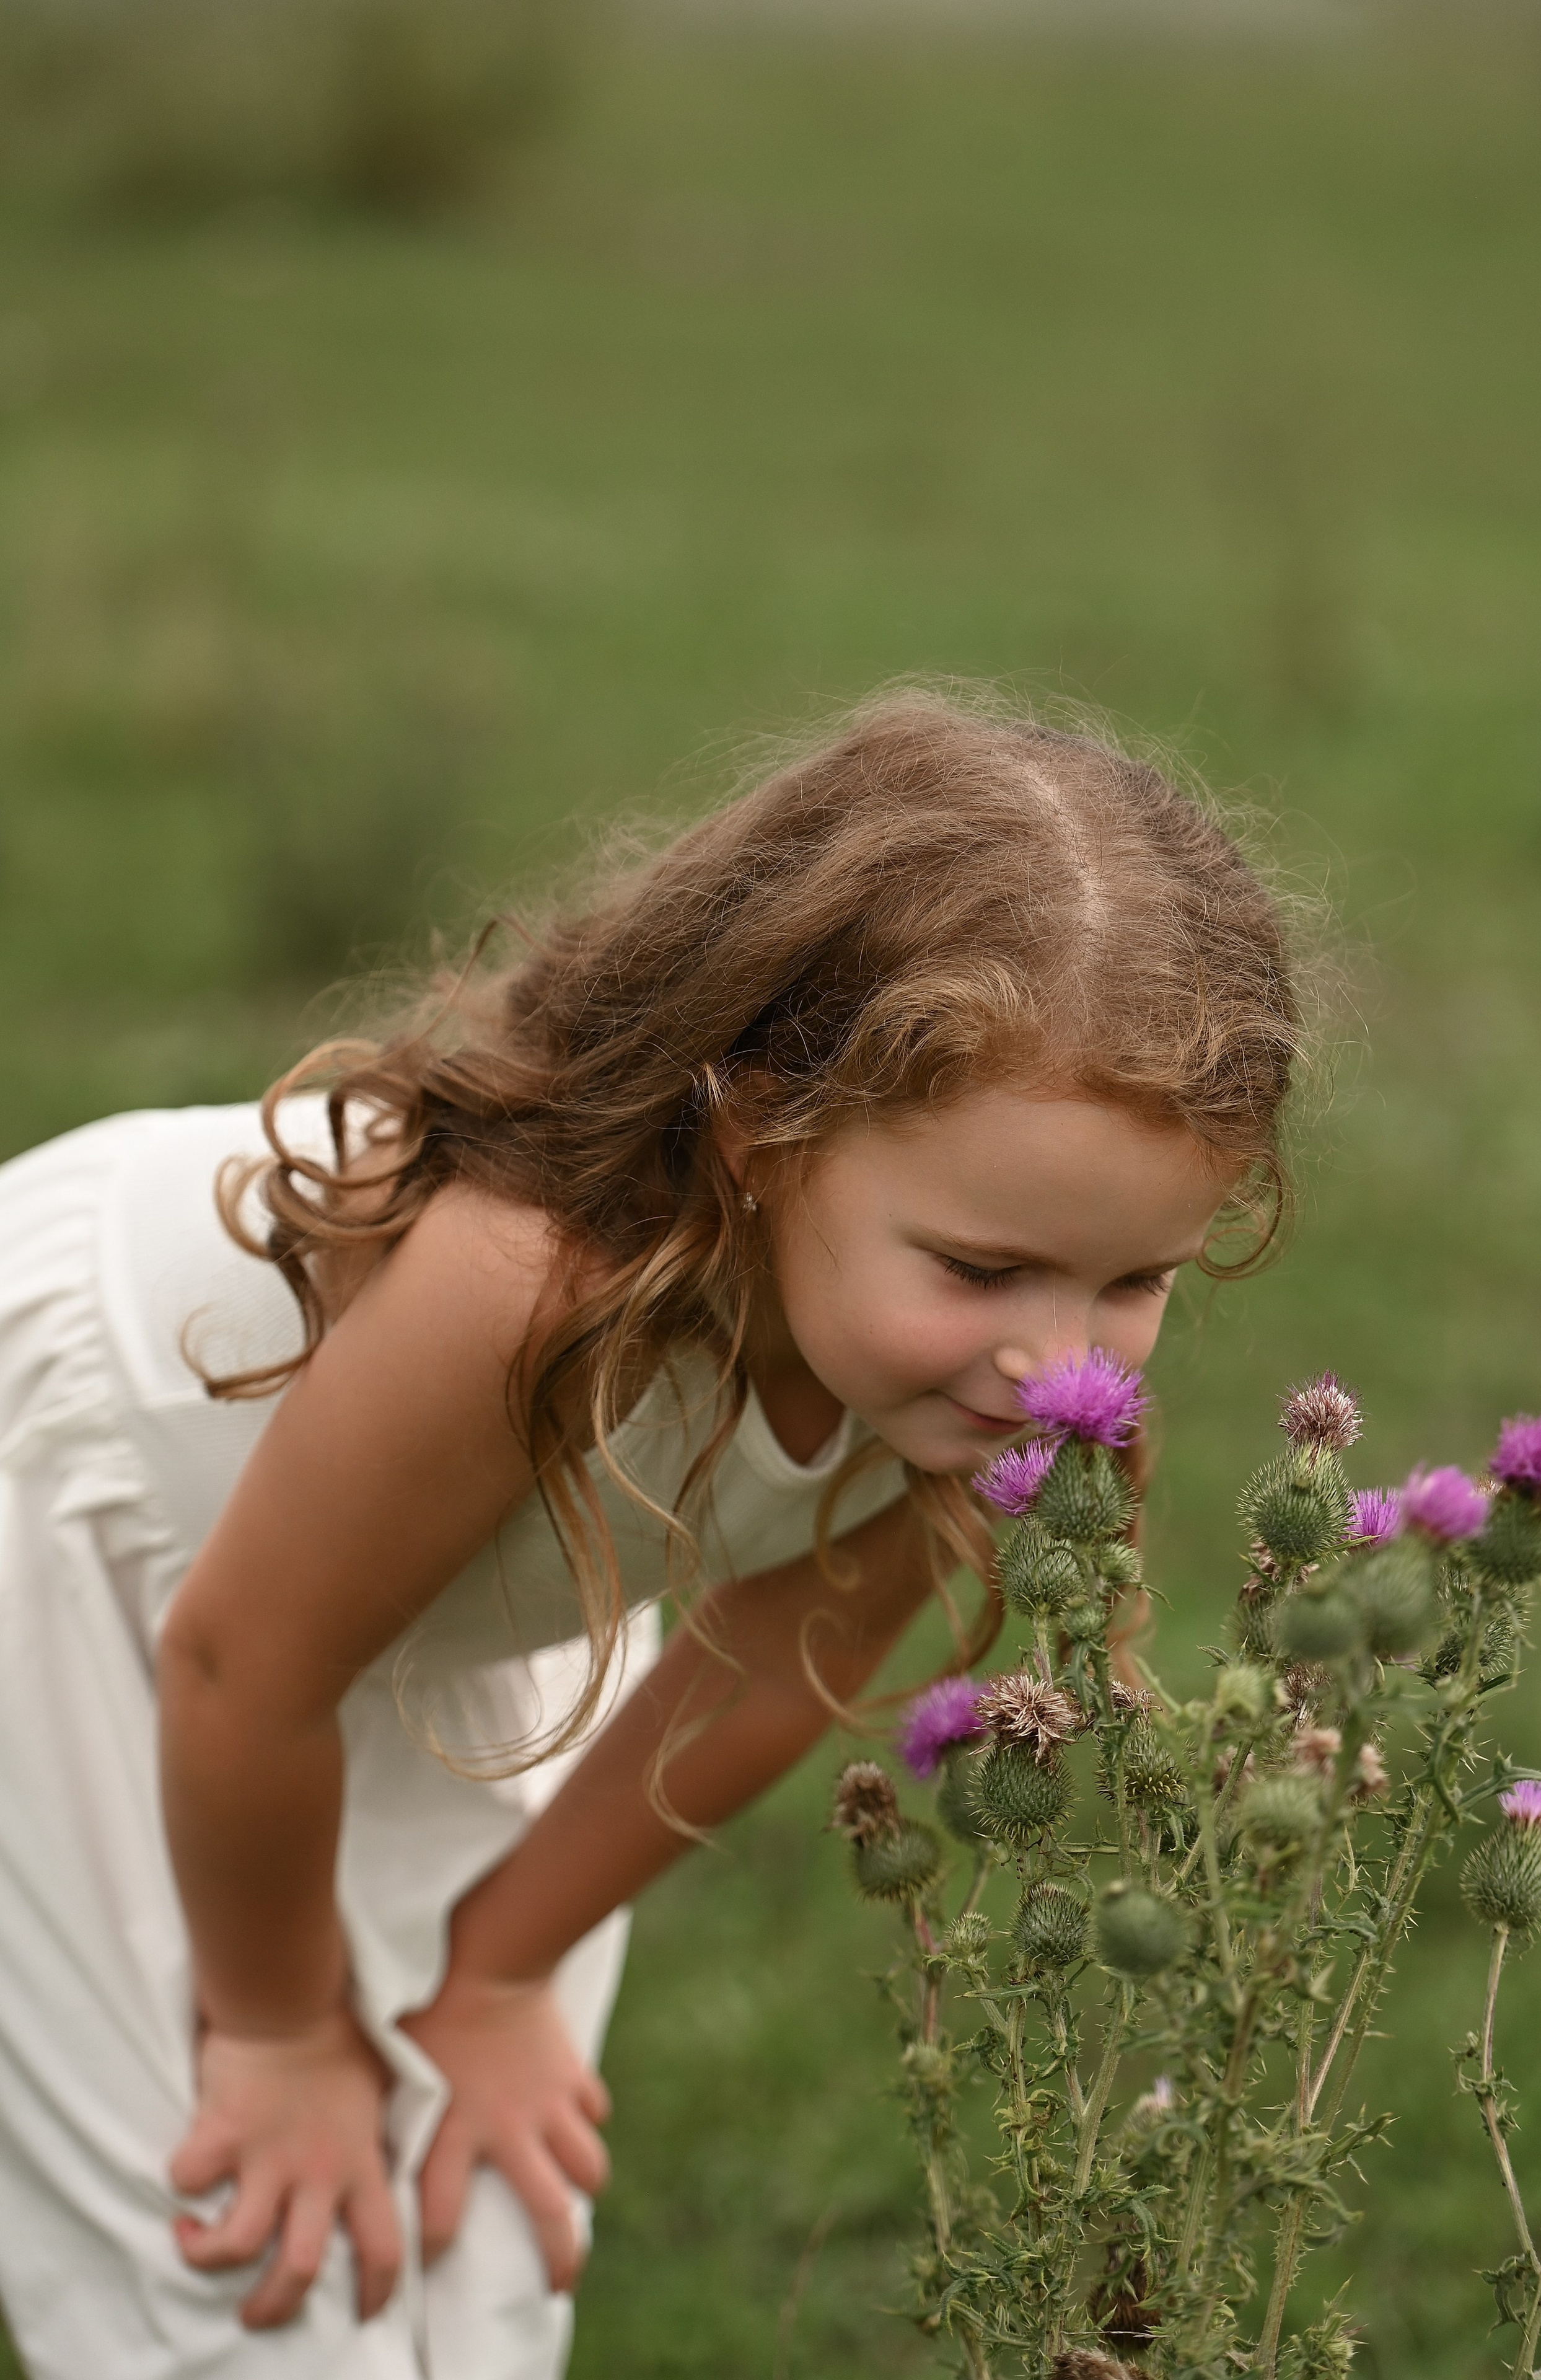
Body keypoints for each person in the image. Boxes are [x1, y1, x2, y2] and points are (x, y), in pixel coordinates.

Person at [0, 689, 1302, 2379]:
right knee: (244, 2267)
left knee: (468, 2253)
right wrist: (278, 2031)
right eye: (983, 1270)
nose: (1057, 1367)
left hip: (395, 1625)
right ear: (762, 1136)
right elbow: (246, 1671)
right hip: (91, 1532)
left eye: (1135, 1281)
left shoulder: (978, 1399)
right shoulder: (531, 1294)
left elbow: (770, 1665)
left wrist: (497, 1976)